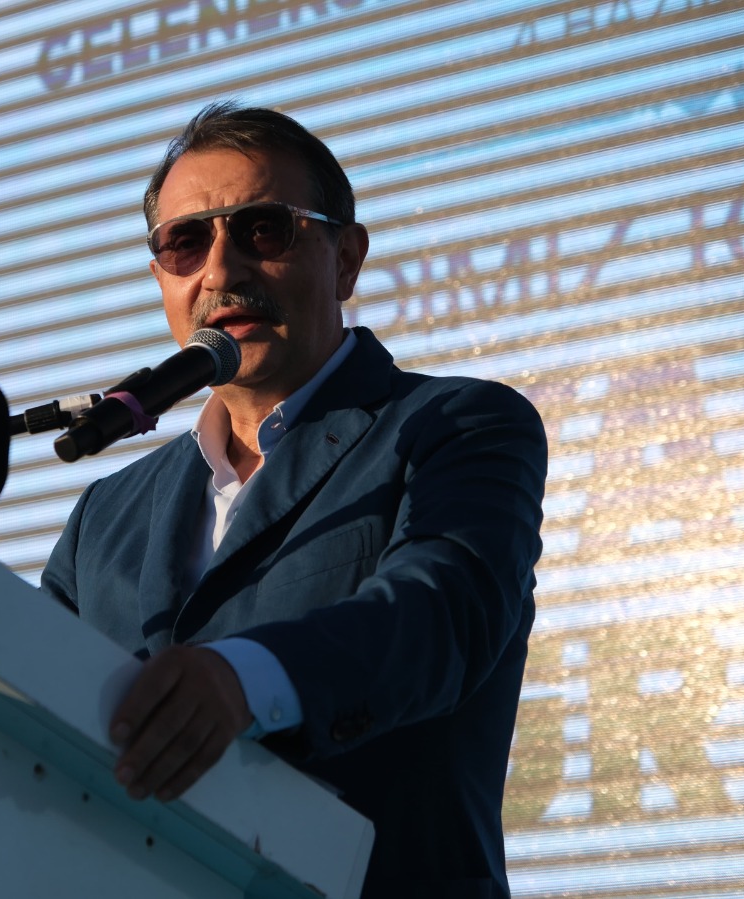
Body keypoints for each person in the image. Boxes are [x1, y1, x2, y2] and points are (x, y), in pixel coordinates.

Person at [41, 102, 548, 898]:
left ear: (346, 259)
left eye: (263, 229)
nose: (220, 271)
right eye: (185, 243)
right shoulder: (104, 516)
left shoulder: (458, 424)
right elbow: (36, 711)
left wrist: (244, 678)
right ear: (162, 277)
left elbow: (439, 611)